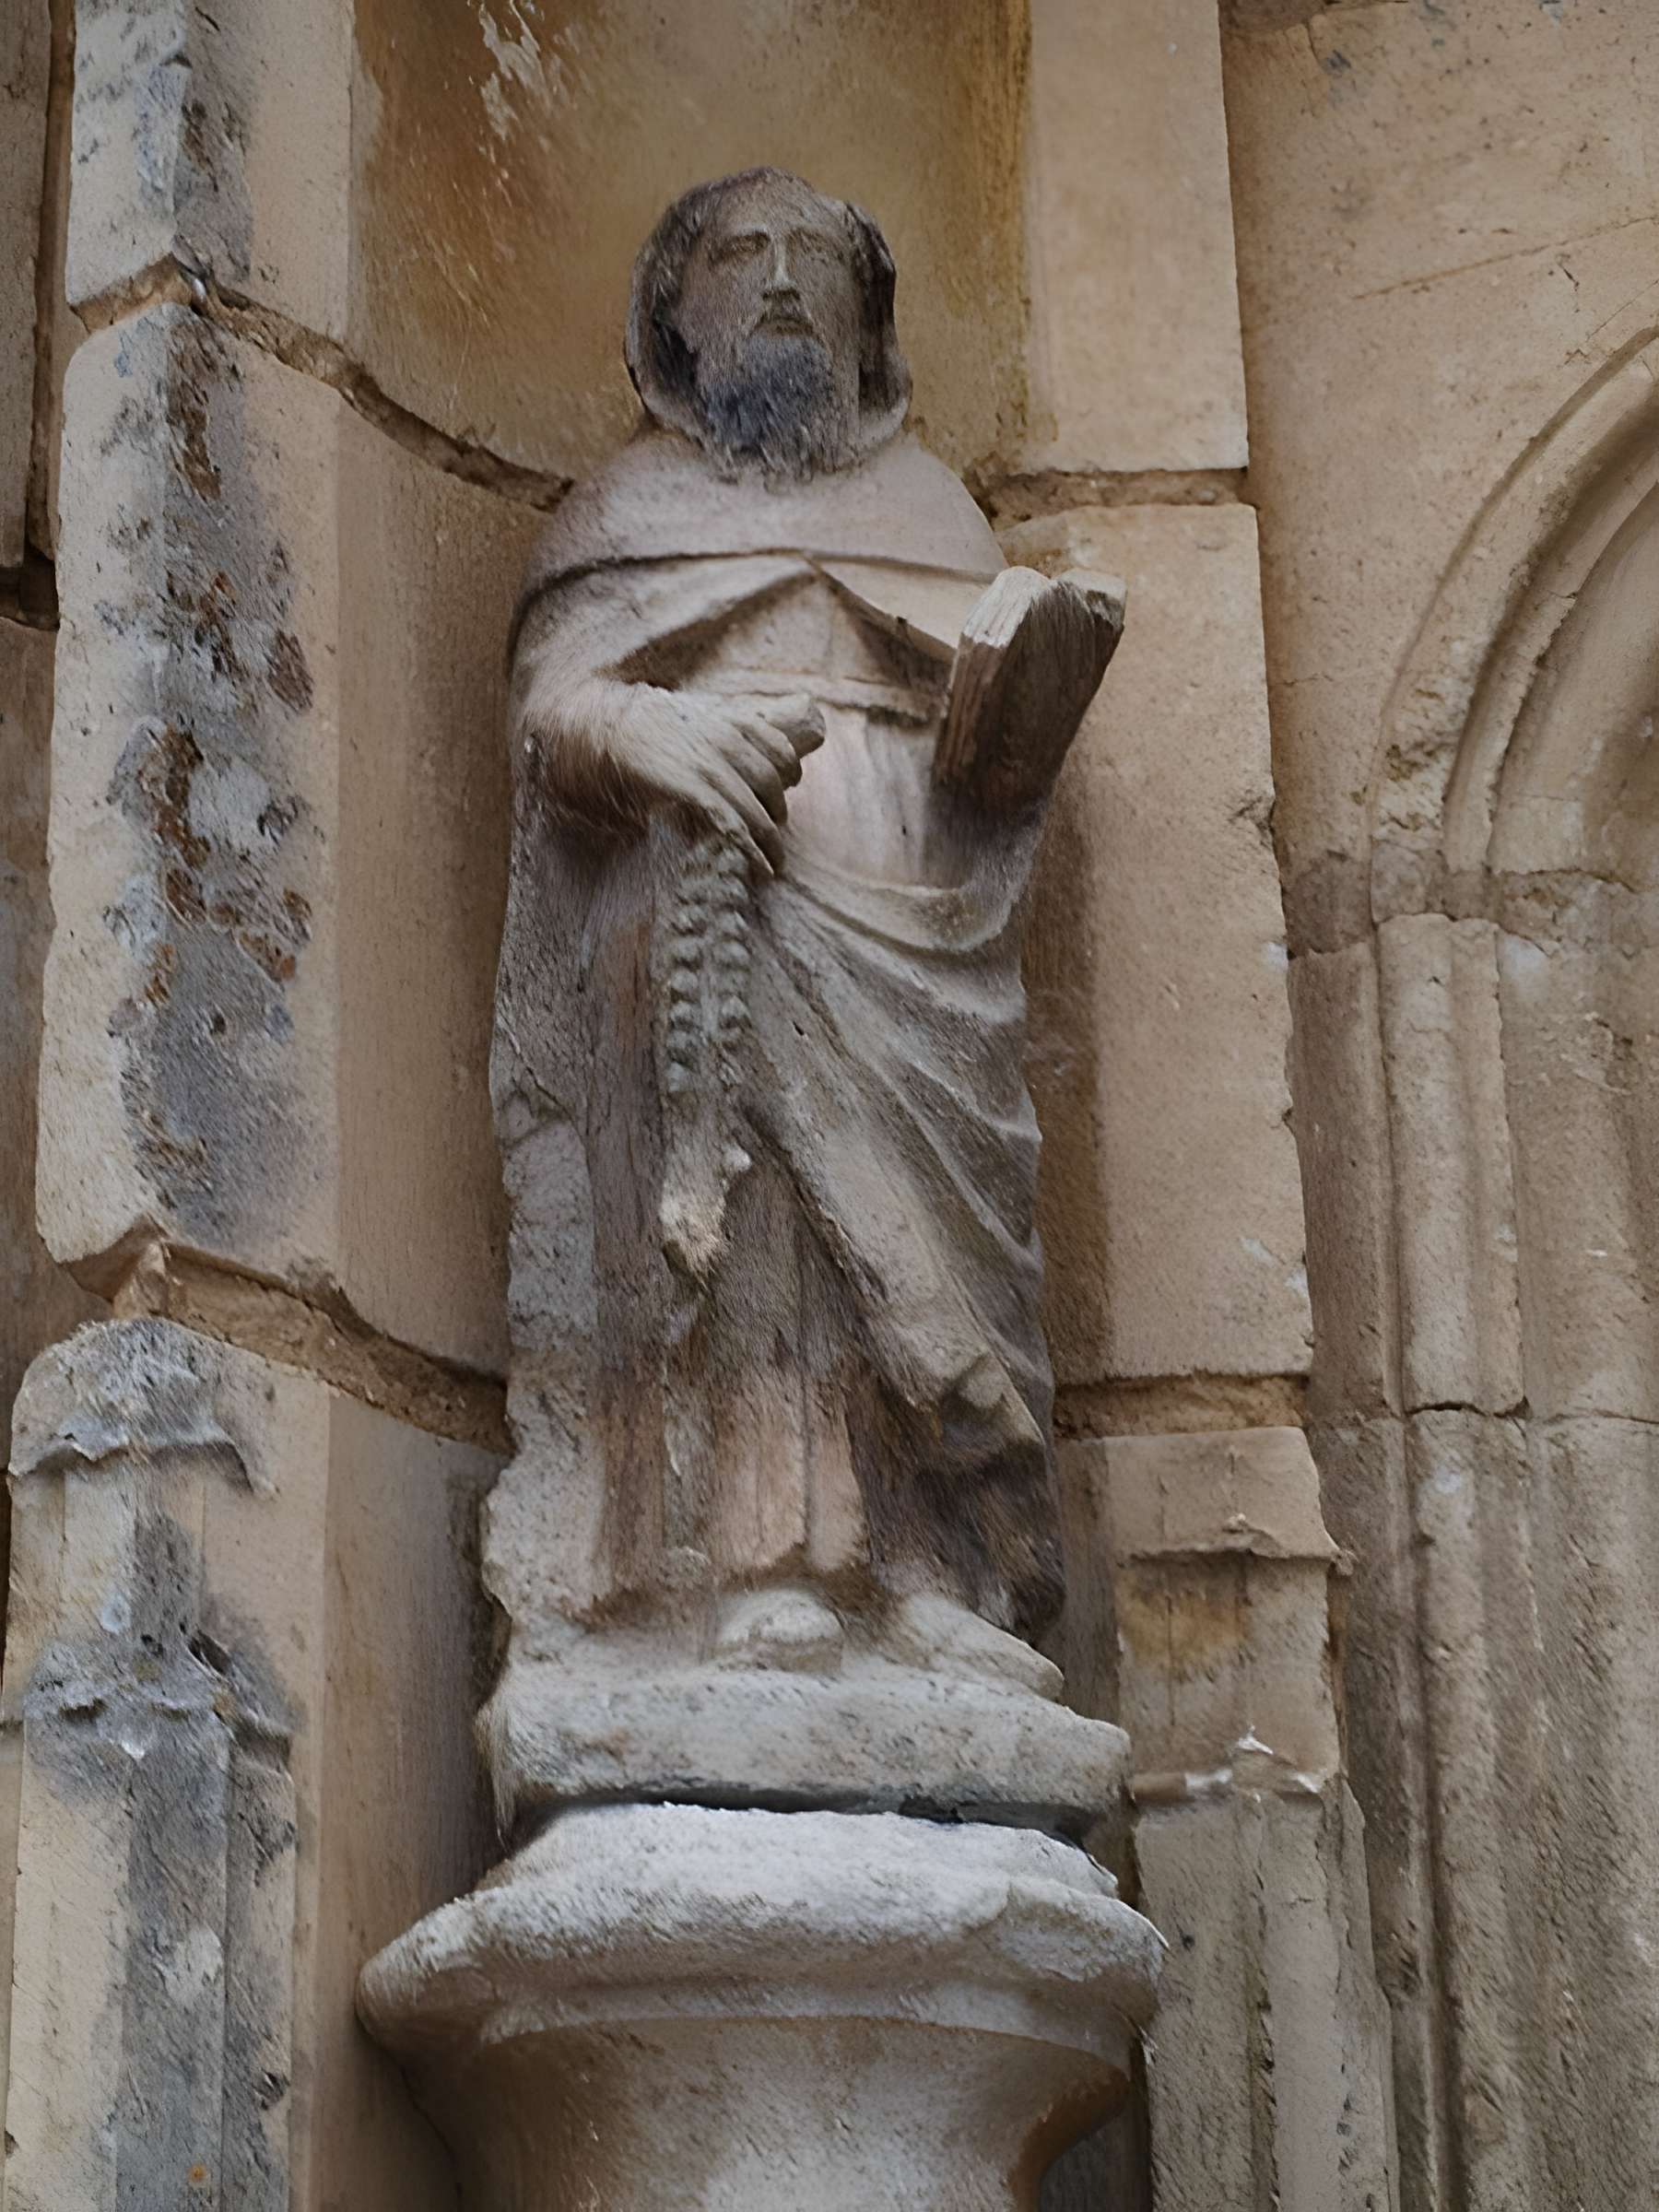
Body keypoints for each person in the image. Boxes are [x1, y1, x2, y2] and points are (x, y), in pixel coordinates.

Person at [494, 168, 1119, 1696]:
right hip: (714, 907)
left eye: (814, 259)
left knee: (929, 1244)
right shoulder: (620, 518)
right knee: (755, 1219)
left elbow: (991, 767)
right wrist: (646, 732)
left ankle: (937, 1569)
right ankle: (766, 1563)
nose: (779, 280)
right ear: (677, 317)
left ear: (864, 313)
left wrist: (1025, 693)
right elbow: (552, 720)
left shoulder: (933, 516)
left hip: (922, 943)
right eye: (740, 255)